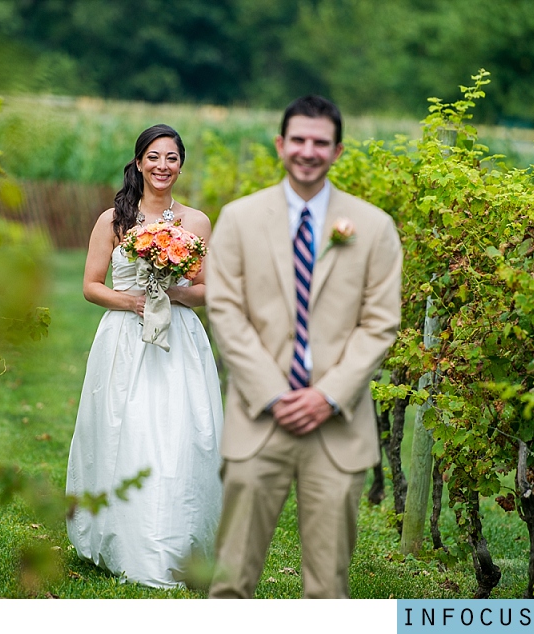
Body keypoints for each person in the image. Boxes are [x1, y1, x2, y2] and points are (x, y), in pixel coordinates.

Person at [206, 96, 402, 598]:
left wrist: (326, 395)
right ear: (280, 144)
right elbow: (226, 311)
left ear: (337, 151)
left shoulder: (374, 227)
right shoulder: (238, 219)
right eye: (298, 140)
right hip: (258, 418)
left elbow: (380, 324)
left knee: (327, 588)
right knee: (230, 582)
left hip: (336, 424)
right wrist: (273, 393)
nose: (308, 151)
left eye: (320, 142)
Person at [65, 124, 223, 589]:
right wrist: (132, 300)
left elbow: (206, 291)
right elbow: (92, 286)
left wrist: (171, 292)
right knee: (126, 430)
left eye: (171, 158)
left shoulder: (195, 222)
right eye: (153, 157)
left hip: (179, 340)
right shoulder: (113, 220)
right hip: (124, 338)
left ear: (180, 165)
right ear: (138, 162)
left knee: (178, 435)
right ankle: (120, 538)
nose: (162, 166)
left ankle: (175, 541)